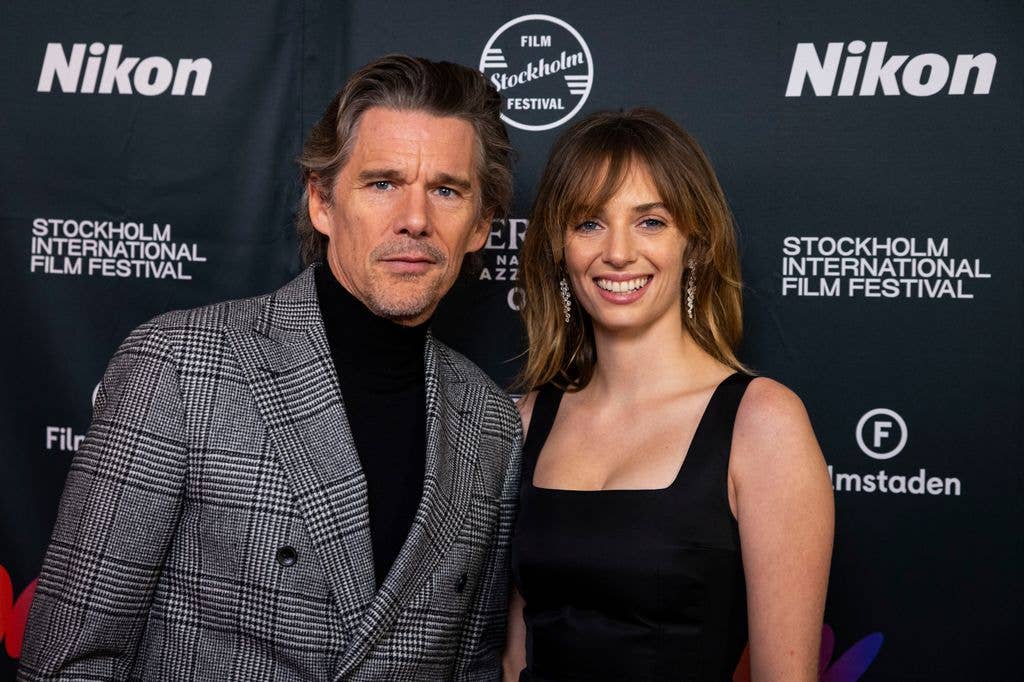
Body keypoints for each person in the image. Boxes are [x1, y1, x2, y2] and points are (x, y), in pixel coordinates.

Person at [20, 55, 521, 681]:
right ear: (321, 202)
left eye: (446, 190)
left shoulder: (492, 425)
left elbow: (471, 667)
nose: (416, 219)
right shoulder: (178, 367)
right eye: (383, 183)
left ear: (480, 225)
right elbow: (70, 659)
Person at [503, 109, 834, 681]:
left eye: (650, 221)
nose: (619, 252)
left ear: (695, 245)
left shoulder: (761, 423)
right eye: (588, 223)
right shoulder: (525, 419)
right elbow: (514, 659)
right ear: (560, 248)